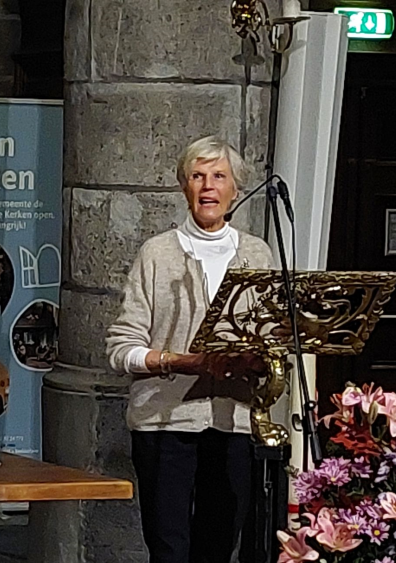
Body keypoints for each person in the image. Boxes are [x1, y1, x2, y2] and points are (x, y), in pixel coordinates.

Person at [106, 136, 274, 563]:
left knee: (218, 548)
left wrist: (257, 359)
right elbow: (121, 348)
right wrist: (179, 362)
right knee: (170, 549)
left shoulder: (257, 254)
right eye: (197, 176)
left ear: (236, 188)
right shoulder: (157, 253)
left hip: (234, 422)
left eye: (219, 176)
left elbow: (272, 337)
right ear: (184, 187)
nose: (208, 186)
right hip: (165, 422)